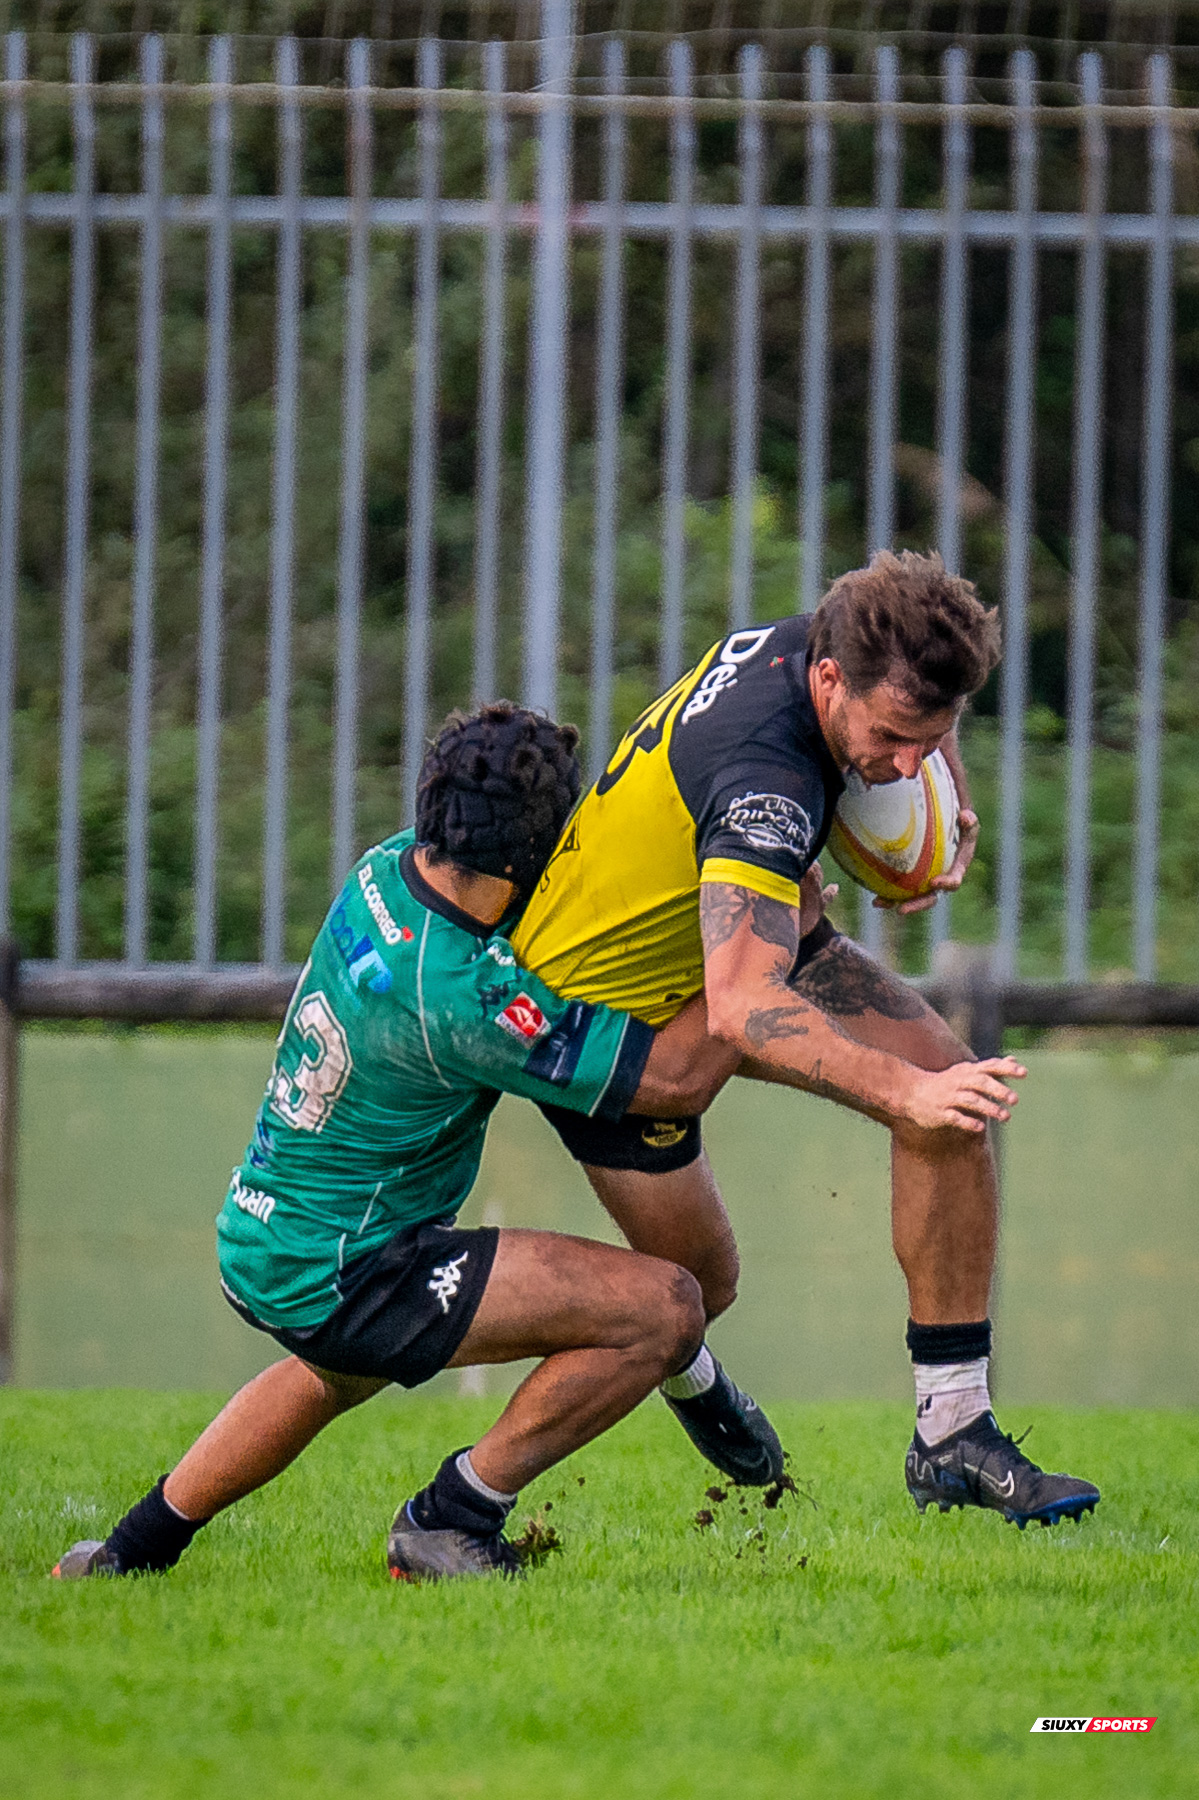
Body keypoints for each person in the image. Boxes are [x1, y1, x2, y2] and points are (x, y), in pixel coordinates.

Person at [53, 704, 759, 1586]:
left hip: (274, 1232)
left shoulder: (387, 867)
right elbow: (676, 1079)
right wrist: (762, 950)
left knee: (330, 1376)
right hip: (353, 1264)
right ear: (526, 858)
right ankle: (452, 1515)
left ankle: (127, 1555)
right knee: (662, 1307)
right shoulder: (460, 997)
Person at [511, 550, 1100, 1529]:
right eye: (891, 739)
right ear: (828, 683)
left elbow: (902, 663)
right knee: (694, 1293)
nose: (902, 764)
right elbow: (744, 1006)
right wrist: (894, 1094)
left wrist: (941, 803)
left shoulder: (838, 637)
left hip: (726, 929)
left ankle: (952, 1430)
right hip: (600, 1019)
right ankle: (644, 1402)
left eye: (932, 737)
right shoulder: (765, 778)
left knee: (948, 1093)